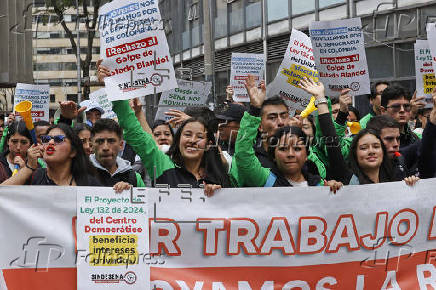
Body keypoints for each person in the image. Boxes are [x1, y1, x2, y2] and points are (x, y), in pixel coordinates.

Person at [299, 77, 419, 187]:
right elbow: (331, 139)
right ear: (354, 152)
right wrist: (320, 99)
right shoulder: (347, 177)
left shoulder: (400, 170)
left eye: (376, 146)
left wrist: (412, 184)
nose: (371, 151)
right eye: (364, 148)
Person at [234, 77, 342, 191]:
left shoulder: (315, 182)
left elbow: (321, 173)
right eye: (272, 117)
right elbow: (243, 153)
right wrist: (255, 109)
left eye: (284, 116)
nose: (280, 122)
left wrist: (298, 136)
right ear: (274, 156)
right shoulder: (264, 176)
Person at [111, 99, 232, 192]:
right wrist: (116, 89)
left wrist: (218, 197)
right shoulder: (163, 167)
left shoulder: (219, 175)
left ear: (208, 145)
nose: (192, 140)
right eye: (187, 134)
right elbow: (135, 132)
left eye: (199, 137)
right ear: (178, 140)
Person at [1, 123, 100, 186]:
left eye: (58, 139)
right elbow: (4, 195)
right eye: (46, 139)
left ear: (73, 152)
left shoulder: (89, 183)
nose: (51, 142)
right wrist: (28, 168)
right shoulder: (34, 177)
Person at [90, 118, 144, 188]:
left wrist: (131, 194)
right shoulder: (79, 174)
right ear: (91, 146)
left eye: (111, 141)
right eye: (100, 141)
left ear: (121, 145)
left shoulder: (135, 179)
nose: (105, 147)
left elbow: (144, 198)